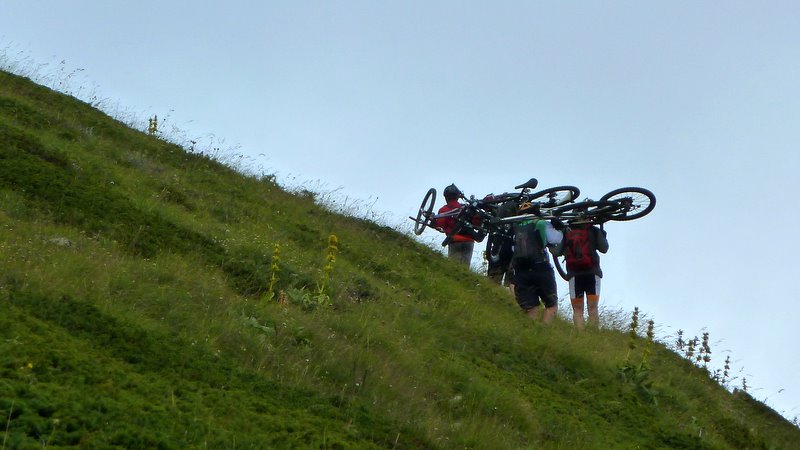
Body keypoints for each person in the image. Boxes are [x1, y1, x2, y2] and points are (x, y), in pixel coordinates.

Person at [510, 204, 564, 323]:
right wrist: (560, 229)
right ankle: (542, 332)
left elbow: (513, 249)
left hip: (521, 270)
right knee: (551, 305)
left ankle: (529, 333)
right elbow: (555, 239)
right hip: (541, 267)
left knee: (530, 308)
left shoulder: (515, 225)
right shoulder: (540, 223)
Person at [558, 221, 609, 329]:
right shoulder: (593, 229)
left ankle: (580, 335)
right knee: (593, 308)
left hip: (574, 275)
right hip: (592, 273)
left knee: (577, 310)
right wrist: (603, 234)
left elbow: (557, 251)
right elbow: (604, 249)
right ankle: (594, 335)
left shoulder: (566, 231)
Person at [435, 183, 481, 266]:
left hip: (454, 240)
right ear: (457, 196)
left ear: (445, 197)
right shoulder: (466, 208)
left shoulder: (444, 210)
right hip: (469, 241)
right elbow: (476, 222)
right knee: (465, 267)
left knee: (453, 267)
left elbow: (439, 224)